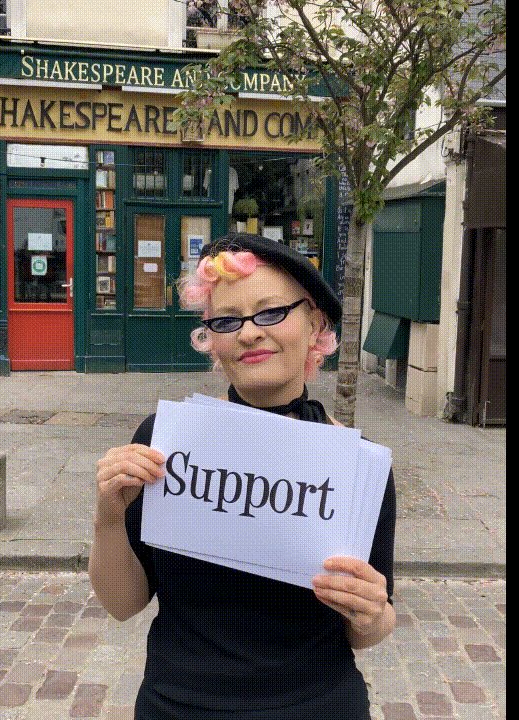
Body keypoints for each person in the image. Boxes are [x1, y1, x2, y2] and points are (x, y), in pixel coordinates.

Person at [89, 233, 397, 719]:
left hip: (317, 707)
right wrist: (108, 517)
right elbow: (123, 603)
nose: (249, 333)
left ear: (315, 324)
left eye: (271, 312)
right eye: (228, 320)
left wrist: (373, 613)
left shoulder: (356, 465)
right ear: (211, 339)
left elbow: (367, 632)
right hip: (179, 708)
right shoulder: (166, 444)